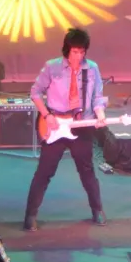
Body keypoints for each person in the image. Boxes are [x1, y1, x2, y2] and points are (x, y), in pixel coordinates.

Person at [23, 28, 109, 231]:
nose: (78, 56)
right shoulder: (52, 67)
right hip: (55, 123)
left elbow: (97, 97)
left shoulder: (92, 68)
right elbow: (35, 92)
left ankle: (97, 209)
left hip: (81, 124)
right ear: (67, 50)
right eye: (75, 52)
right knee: (44, 172)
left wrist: (100, 115)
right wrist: (47, 115)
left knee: (87, 170)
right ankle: (30, 215)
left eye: (82, 52)